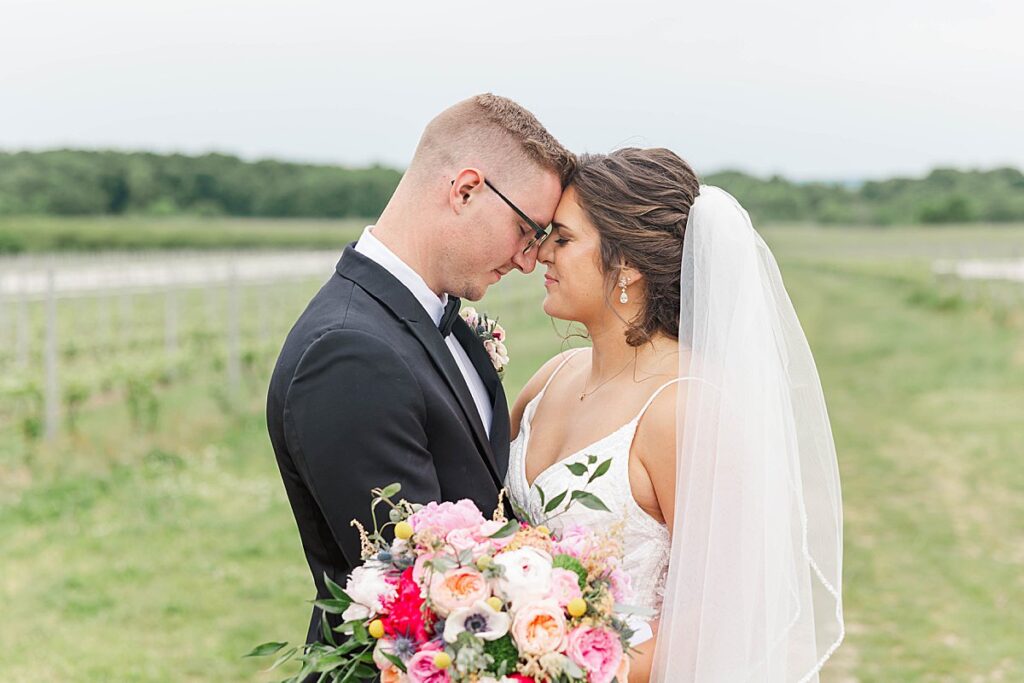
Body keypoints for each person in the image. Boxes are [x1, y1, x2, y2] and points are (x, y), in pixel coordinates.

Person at [507, 148, 844, 681]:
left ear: (627, 266)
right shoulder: (551, 377)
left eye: (564, 239)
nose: (542, 252)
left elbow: (719, 624)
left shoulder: (685, 409)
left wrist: (545, 668)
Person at [266, 93, 575, 646]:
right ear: (465, 190)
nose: (529, 260)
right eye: (526, 230)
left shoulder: (438, 320)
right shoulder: (348, 353)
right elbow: (422, 588)